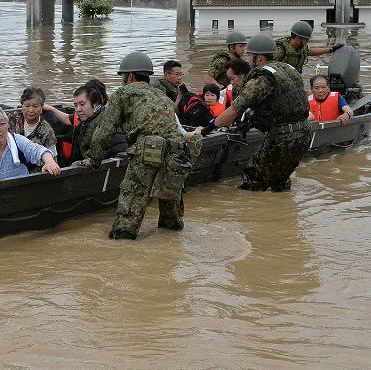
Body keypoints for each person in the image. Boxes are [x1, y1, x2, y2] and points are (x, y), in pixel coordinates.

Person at [83, 52, 202, 240]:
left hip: (149, 149)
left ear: (130, 76)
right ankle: (170, 243)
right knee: (170, 203)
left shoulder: (123, 93)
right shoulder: (162, 95)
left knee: (131, 201)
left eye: (123, 76)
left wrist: (94, 159)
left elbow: (105, 130)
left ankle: (123, 241)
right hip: (177, 151)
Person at [201, 34, 310, 192]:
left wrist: (208, 128)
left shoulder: (262, 77)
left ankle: (252, 216)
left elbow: (234, 110)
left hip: (283, 138)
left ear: (258, 58)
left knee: (252, 178)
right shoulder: (288, 69)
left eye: (250, 55)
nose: (248, 58)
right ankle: (284, 213)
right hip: (304, 135)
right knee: (280, 181)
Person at [0, 106, 60, 185]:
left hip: (21, 193)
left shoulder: (17, 140)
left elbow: (39, 150)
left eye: (1, 124)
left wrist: (49, 161)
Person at [275, 21, 344, 73]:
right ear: (298, 38)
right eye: (306, 40)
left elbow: (311, 51)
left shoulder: (302, 48)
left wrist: (331, 49)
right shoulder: (280, 49)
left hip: (293, 82)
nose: (307, 42)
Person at [8, 87, 57, 157]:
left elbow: (53, 157)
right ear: (22, 106)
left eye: (35, 106)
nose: (30, 110)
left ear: (41, 108)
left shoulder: (47, 131)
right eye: (27, 106)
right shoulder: (12, 118)